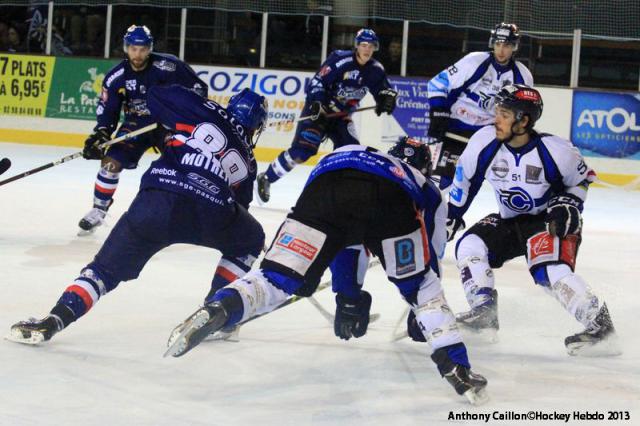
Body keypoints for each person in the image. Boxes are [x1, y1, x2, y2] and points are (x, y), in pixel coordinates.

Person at [165, 139, 489, 405]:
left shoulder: (347, 153)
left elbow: (340, 237)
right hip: (389, 201)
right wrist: (418, 304)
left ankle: (223, 306)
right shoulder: (422, 185)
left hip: (323, 191)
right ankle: (456, 366)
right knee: (424, 289)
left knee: (276, 278)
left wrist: (348, 297)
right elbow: (431, 254)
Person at [8, 85, 268, 346]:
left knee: (102, 271)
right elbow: (240, 208)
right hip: (210, 211)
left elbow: (155, 95)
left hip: (156, 201)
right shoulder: (249, 160)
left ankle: (55, 319)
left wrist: (164, 128)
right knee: (251, 239)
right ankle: (216, 309)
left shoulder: (199, 106)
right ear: (256, 127)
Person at [446, 84, 620, 356]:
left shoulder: (556, 151)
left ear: (523, 120)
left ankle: (600, 326)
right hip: (508, 222)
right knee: (470, 245)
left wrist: (568, 205)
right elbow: (466, 180)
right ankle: (484, 314)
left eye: (504, 114)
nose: (496, 120)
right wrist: (451, 216)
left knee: (548, 270)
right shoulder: (483, 143)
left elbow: (581, 181)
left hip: (546, 223)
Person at [77, 25, 207, 235]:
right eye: (133, 49)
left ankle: (187, 211)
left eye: (143, 49)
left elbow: (199, 90)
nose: (138, 54)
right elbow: (108, 109)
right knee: (111, 162)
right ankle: (98, 209)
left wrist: (181, 114)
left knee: (184, 163)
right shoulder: (116, 76)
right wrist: (101, 133)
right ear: (126, 48)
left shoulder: (169, 65)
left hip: (167, 124)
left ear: (150, 48)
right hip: (136, 124)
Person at [256, 28, 397, 203]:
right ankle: (267, 177)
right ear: (357, 46)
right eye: (363, 45)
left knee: (351, 152)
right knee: (302, 151)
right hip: (319, 111)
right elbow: (317, 81)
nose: (367, 49)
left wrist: (386, 101)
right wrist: (318, 105)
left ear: (375, 48)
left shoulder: (376, 70)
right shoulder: (340, 60)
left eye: (371, 46)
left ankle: (343, 194)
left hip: (341, 117)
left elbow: (384, 91)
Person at [427, 23, 533, 190]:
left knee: (475, 184)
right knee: (442, 182)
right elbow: (437, 83)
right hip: (456, 128)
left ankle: (455, 214)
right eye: (498, 44)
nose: (501, 50)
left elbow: (525, 111)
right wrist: (438, 113)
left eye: (506, 45)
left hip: (488, 134)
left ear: (514, 47)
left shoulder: (523, 76)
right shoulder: (474, 61)